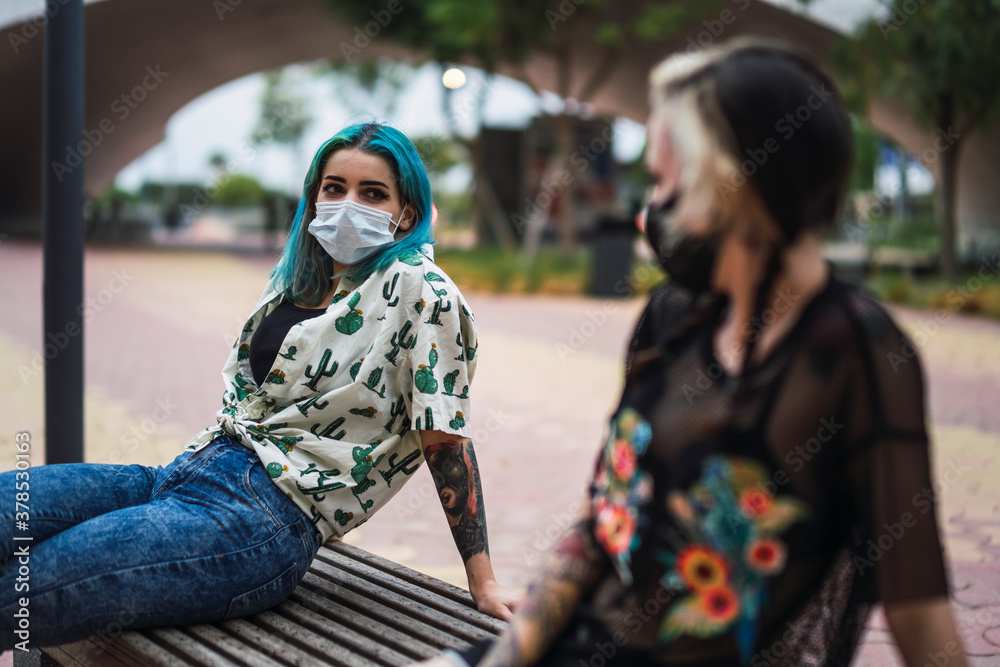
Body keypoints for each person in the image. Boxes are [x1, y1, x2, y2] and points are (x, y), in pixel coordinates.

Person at [419, 39, 967, 667]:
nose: (652, 209)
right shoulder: (677, 322)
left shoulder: (858, 347)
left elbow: (917, 606)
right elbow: (599, 527)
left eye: (662, 178)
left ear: (729, 179)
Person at [0, 121, 517, 652]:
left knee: (27, 585)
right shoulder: (303, 281)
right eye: (334, 188)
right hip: (184, 474)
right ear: (314, 198)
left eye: (373, 193)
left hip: (259, 521)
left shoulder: (422, 290)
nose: (347, 204)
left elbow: (445, 438)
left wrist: (483, 579)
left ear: (405, 213)